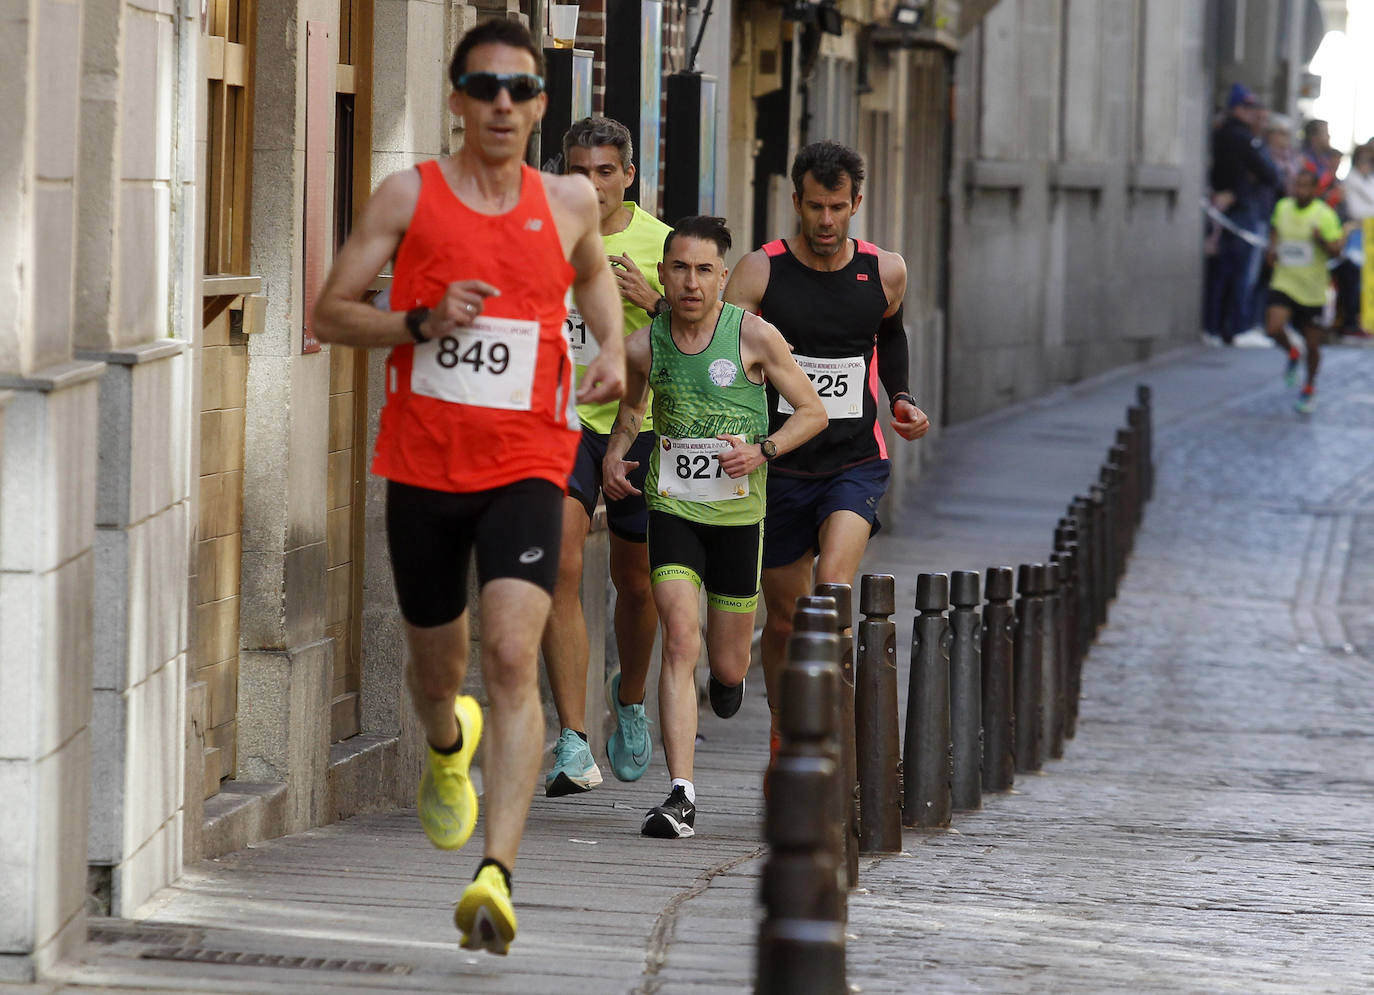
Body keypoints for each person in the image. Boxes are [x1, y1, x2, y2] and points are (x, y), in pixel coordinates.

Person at [311, 19, 626, 955]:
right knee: (439, 667)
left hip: (530, 459)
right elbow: (329, 311)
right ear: (455, 97)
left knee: (512, 654)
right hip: (423, 465)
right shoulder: (407, 196)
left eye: (520, 90)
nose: (501, 103)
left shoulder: (569, 200)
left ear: (538, 105)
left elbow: (596, 278)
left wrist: (609, 345)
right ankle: (449, 744)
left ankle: (497, 872)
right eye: (483, 86)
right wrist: (416, 320)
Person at [602, 215, 827, 838]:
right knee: (680, 637)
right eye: (679, 268)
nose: (691, 282)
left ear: (723, 278)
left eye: (704, 270)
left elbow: (812, 413)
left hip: (738, 517)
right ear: (662, 274)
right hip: (673, 507)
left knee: (726, 665)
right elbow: (629, 414)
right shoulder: (645, 344)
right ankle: (681, 795)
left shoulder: (755, 337)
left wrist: (763, 451)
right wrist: (615, 458)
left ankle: (731, 682)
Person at [721, 141, 930, 772]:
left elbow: (890, 338)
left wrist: (902, 398)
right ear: (796, 202)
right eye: (814, 206)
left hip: (853, 461)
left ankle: (832, 737)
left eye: (838, 207)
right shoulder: (762, 272)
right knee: (783, 620)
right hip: (780, 465)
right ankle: (788, 730)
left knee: (831, 593)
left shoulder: (885, 271)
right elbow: (721, 354)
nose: (826, 220)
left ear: (856, 204)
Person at [539, 116, 672, 796]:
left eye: (605, 172)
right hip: (560, 421)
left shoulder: (660, 243)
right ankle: (571, 737)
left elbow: (705, 333)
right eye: (579, 171)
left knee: (637, 580)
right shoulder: (542, 231)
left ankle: (630, 696)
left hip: (639, 423)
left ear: (628, 176)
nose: (591, 185)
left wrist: (655, 302)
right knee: (558, 565)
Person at [1263, 168, 1343, 413]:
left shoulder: (1325, 215)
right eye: (1297, 185)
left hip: (1312, 288)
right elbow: (1276, 230)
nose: (1301, 191)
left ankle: (1309, 387)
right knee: (1273, 328)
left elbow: (1337, 250)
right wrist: (1272, 249)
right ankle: (1292, 352)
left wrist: (1321, 240)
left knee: (1314, 345)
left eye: (1306, 186)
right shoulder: (1283, 207)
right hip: (1285, 280)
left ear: (1315, 189)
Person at [1205, 84, 1281, 345]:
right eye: (1249, 108)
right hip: (1240, 209)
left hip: (1231, 206)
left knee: (1225, 273)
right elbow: (1269, 174)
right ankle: (1237, 328)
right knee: (1239, 273)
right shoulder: (1240, 136)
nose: (1252, 113)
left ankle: (1215, 328)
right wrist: (1242, 186)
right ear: (1237, 108)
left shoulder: (1224, 133)